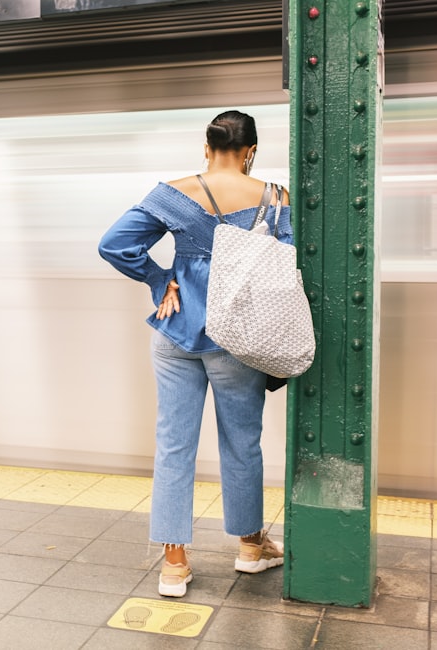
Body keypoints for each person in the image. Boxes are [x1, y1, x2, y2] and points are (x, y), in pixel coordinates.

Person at [97, 110, 290, 598]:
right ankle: (250, 548)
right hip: (236, 340)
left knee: (174, 445)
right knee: (242, 443)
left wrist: (162, 280)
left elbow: (115, 245)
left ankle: (174, 565)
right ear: (251, 152)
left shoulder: (174, 192)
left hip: (175, 333)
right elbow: (287, 264)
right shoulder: (274, 198)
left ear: (206, 148)